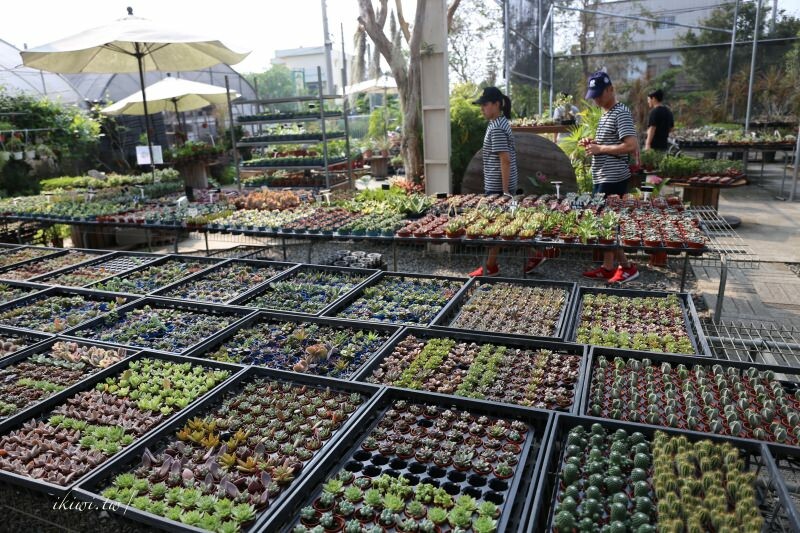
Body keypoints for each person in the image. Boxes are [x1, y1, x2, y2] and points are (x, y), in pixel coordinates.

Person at [469, 86, 544, 277]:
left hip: (497, 186)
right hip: (499, 184)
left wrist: (504, 191)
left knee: (496, 225)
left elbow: (505, 159)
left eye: (485, 104)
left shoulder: (496, 128)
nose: (482, 108)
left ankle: (491, 266)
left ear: (497, 104)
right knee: (506, 222)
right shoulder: (499, 123)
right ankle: (533, 254)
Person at [580, 70, 640, 284]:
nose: (596, 99)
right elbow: (610, 143)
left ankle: (627, 267)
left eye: (599, 94)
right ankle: (607, 267)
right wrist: (593, 143)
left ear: (611, 90)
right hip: (603, 176)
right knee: (606, 221)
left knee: (607, 223)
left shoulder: (620, 112)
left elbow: (631, 145)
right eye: (593, 95)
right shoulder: (607, 113)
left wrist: (601, 149)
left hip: (613, 178)